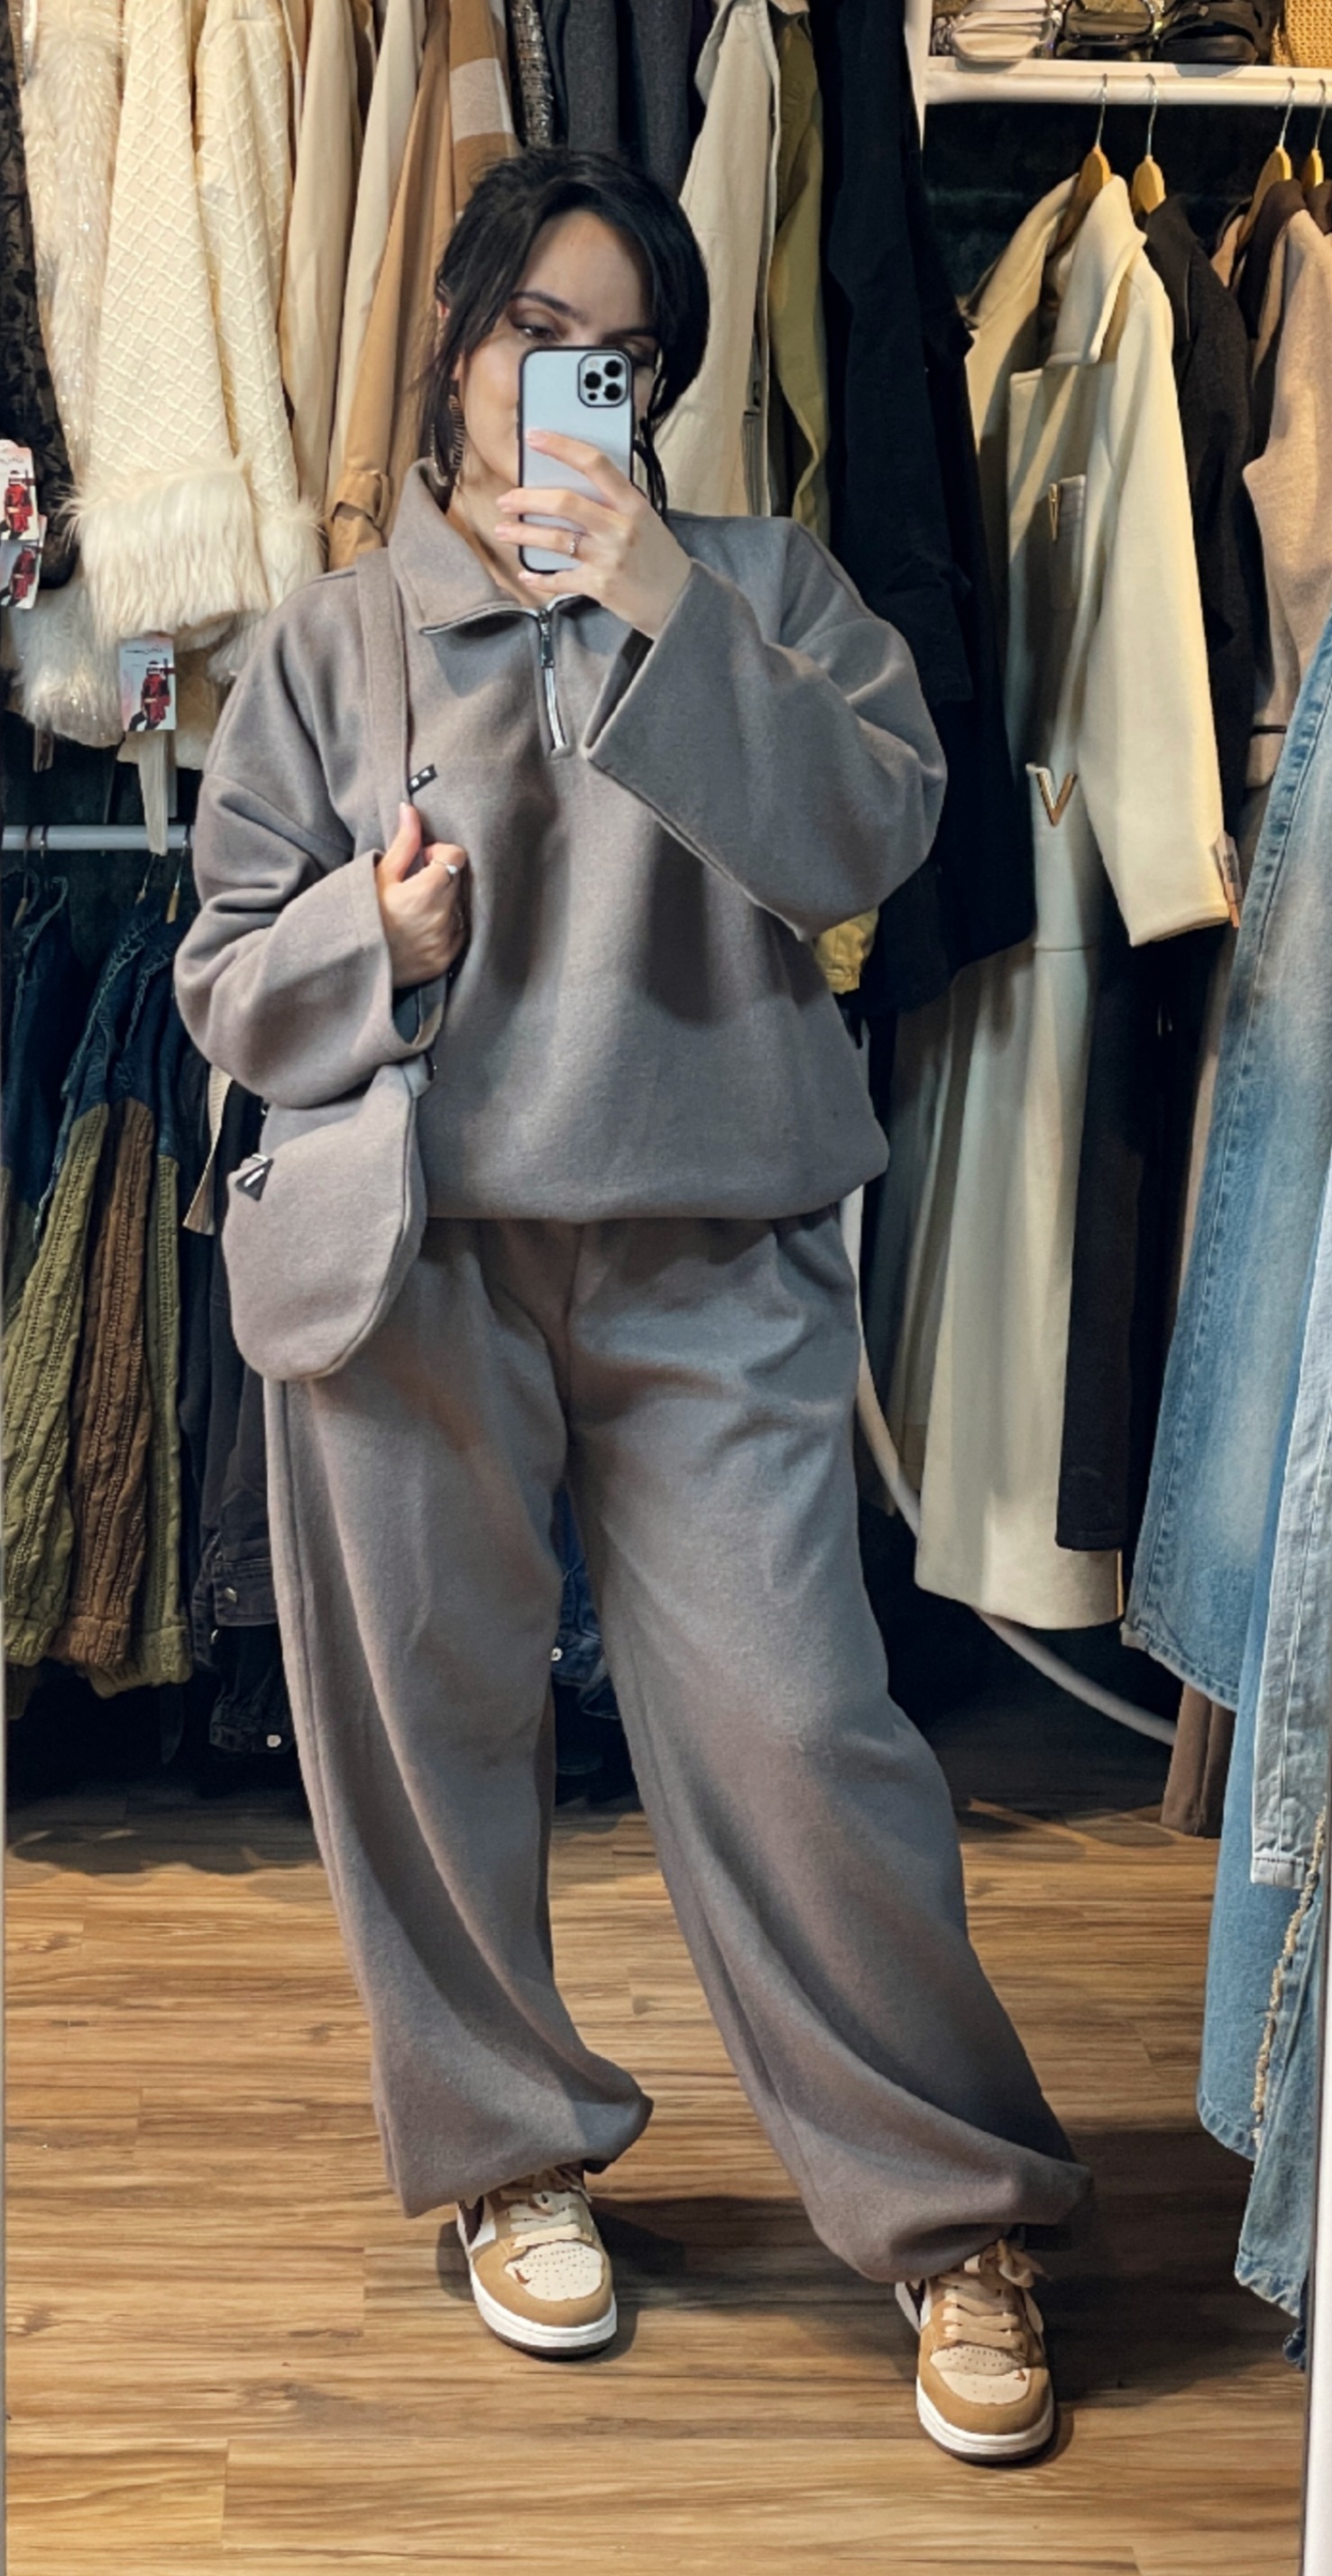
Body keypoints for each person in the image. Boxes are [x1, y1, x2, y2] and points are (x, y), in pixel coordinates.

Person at [175, 147, 1089, 2466]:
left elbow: (870, 838)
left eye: (628, 355)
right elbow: (223, 981)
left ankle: (955, 2211)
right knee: (429, 1734)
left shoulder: (764, 589)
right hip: (411, 1261)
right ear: (453, 341)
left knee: (800, 1729)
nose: (577, 384)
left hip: (712, 1251)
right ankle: (509, 2157)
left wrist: (665, 596)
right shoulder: (328, 643)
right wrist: (366, 943)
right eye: (539, 334)